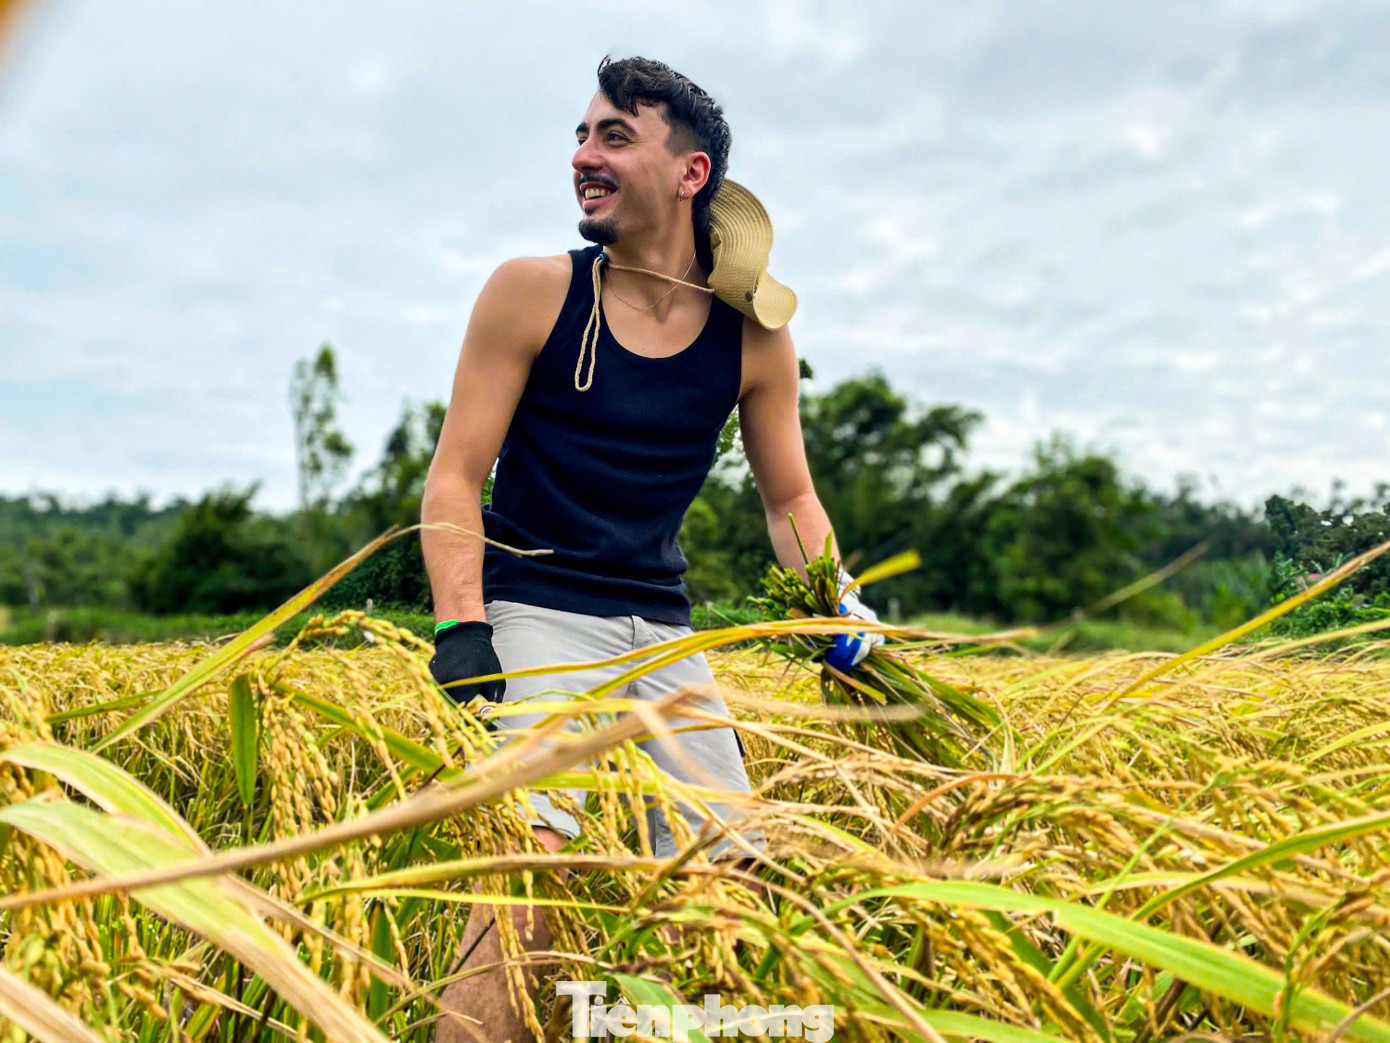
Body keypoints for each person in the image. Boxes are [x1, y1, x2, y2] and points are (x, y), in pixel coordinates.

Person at [420, 55, 883, 1043]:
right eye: (581, 138)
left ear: (689, 173)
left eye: (613, 137)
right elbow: (458, 473)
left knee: (734, 873)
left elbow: (789, 495)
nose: (583, 157)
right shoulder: (533, 292)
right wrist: (462, 624)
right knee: (529, 859)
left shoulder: (752, 339)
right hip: (538, 607)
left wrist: (832, 600)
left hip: (664, 630)